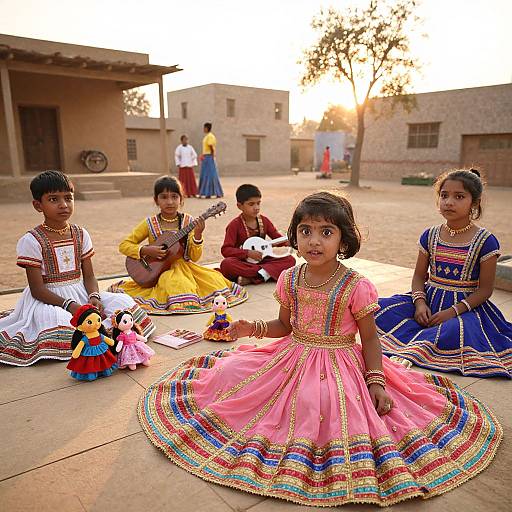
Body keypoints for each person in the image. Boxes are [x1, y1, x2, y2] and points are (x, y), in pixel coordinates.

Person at [137, 191, 502, 507]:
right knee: (231, 372)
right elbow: (286, 326)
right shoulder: (290, 277)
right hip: (291, 354)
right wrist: (254, 328)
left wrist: (375, 381)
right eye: (305, 231)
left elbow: (370, 339)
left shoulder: (355, 285)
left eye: (326, 232)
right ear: (294, 236)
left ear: (343, 240)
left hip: (340, 359)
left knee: (319, 402)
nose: (314, 240)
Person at [0, 170, 154, 366]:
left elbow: (89, 276)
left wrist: (94, 297)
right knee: (59, 320)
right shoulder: (31, 240)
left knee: (122, 302)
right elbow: (37, 289)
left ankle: (111, 338)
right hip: (49, 298)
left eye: (68, 198)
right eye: (54, 199)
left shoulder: (81, 234)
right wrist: (70, 306)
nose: (63, 205)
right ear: (38, 205)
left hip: (80, 291)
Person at [375, 168, 512, 378]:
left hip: (465, 307)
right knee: (380, 309)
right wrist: (420, 303)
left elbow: (485, 290)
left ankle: (432, 339)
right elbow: (419, 276)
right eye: (444, 195)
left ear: (474, 203)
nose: (448, 202)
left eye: (459, 197)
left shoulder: (485, 241)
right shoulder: (429, 235)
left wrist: (452, 312)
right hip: (430, 299)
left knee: (456, 331)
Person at [112, 176, 248, 314]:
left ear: (181, 199)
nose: (170, 201)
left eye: (174, 196)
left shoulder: (188, 221)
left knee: (214, 279)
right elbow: (124, 245)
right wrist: (146, 250)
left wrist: (198, 235)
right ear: (156, 200)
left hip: (185, 268)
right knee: (171, 283)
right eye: (164, 197)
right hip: (157, 271)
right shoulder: (149, 223)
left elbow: (194, 257)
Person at [220, 184, 295, 285]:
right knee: (226, 264)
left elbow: (277, 239)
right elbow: (226, 250)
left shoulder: (264, 221)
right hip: (244, 262)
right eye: (251, 204)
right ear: (239, 206)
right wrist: (247, 253)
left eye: (258, 203)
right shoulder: (234, 225)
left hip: (263, 259)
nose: (256, 208)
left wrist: (288, 242)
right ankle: (265, 274)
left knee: (290, 260)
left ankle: (254, 277)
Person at [198, 122, 223, 198]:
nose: (203, 129)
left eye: (204, 128)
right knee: (205, 174)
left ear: (206, 128)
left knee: (210, 174)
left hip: (209, 157)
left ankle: (215, 193)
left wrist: (212, 156)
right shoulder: (206, 137)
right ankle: (205, 193)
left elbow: (211, 146)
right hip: (206, 157)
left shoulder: (210, 136)